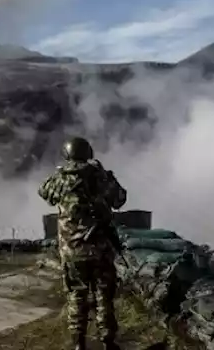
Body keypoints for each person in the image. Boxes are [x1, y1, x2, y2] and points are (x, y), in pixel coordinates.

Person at [39, 136, 128, 350]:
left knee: (76, 295)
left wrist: (62, 173)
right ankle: (108, 341)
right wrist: (104, 175)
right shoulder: (100, 176)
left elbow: (44, 193)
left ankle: (78, 343)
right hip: (101, 249)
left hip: (71, 250)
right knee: (103, 295)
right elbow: (120, 199)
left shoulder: (60, 178)